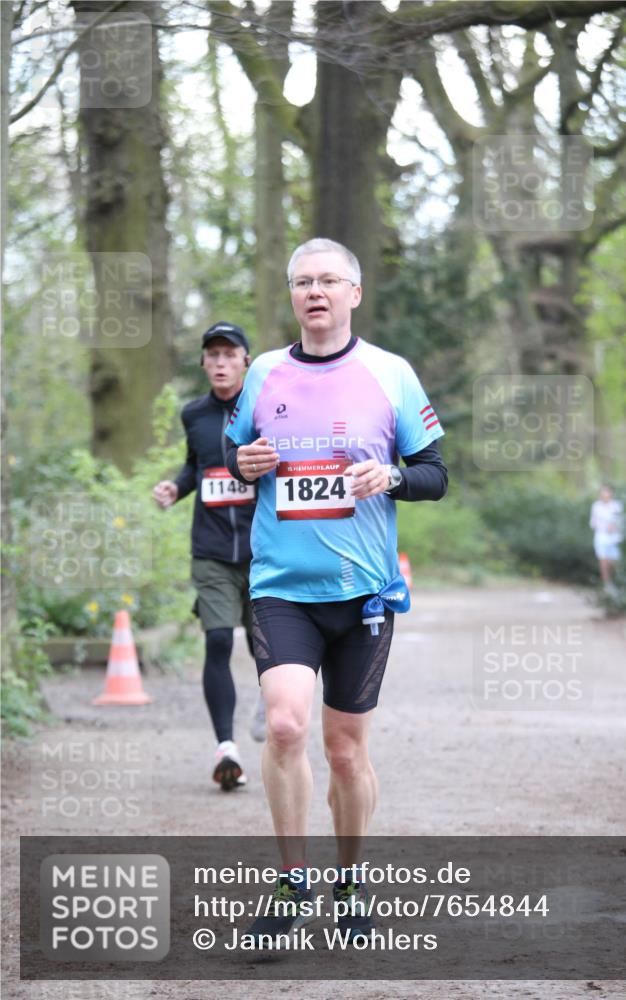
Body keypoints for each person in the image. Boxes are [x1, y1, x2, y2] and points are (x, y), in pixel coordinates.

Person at [225, 238, 447, 939]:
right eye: (301, 282)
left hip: (362, 594)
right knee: (285, 725)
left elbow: (436, 473)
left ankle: (350, 882)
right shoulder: (264, 372)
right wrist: (245, 462)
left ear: (353, 293)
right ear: (292, 295)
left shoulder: (391, 373)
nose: (313, 292)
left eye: (327, 280)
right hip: (281, 587)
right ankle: (293, 880)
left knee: (345, 750)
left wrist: (392, 476)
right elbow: (234, 454)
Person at [152, 321, 265, 793]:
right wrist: (175, 487)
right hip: (212, 550)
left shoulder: (265, 411)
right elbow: (195, 466)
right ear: (203, 362)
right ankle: (226, 748)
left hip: (264, 549)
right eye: (212, 355)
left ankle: (272, 703)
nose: (220, 363)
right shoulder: (193, 414)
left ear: (245, 362)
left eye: (229, 354)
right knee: (218, 640)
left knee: (266, 646)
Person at [589, 485, 624, 587]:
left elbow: (622, 521)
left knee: (614, 561)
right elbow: (593, 523)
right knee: (603, 560)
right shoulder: (596, 506)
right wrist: (603, 527)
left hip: (615, 539)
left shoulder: (617, 506)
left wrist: (615, 526)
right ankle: (606, 584)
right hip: (601, 537)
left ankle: (614, 582)